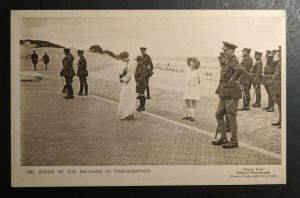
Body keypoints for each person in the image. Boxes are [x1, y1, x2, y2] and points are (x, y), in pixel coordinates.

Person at [211, 41, 244, 149]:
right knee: (219, 114)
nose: (224, 52)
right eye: (223, 50)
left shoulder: (233, 60)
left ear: (231, 51)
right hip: (225, 92)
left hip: (232, 92)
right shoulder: (228, 61)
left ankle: (234, 141)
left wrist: (232, 80)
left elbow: (240, 70)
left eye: (226, 51)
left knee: (231, 116)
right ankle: (224, 138)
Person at [117, 51, 137, 120]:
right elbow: (124, 72)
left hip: (130, 82)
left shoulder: (133, 63)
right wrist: (121, 77)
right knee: (125, 96)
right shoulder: (126, 63)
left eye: (122, 59)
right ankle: (126, 113)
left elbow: (131, 73)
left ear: (125, 57)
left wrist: (123, 79)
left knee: (130, 96)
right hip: (127, 82)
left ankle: (130, 113)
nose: (122, 60)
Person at [215, 52, 231, 132]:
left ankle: (228, 127)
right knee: (223, 110)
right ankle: (225, 126)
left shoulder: (228, 67)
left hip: (227, 90)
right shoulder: (223, 66)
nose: (219, 60)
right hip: (223, 89)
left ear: (225, 58)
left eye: (220, 58)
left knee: (227, 110)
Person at [182, 57, 201, 121]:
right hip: (188, 87)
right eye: (190, 61)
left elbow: (199, 80)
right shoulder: (188, 70)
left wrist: (195, 85)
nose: (190, 63)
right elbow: (185, 78)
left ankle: (193, 116)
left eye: (192, 62)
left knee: (193, 100)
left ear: (195, 63)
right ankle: (189, 115)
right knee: (187, 99)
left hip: (194, 87)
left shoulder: (197, 71)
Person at [272, 46, 282, 128]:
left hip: (282, 86)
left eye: (280, 51)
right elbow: (269, 64)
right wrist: (272, 55)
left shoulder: (286, 62)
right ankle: (280, 120)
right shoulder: (278, 61)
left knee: (283, 105)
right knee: (279, 104)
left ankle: (284, 122)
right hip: (277, 85)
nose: (279, 53)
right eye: (278, 52)